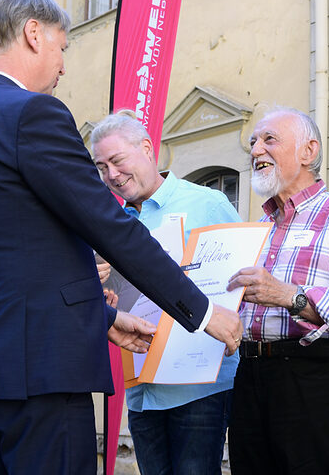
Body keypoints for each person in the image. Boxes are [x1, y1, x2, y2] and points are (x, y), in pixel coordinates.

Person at [0, 0, 242, 475]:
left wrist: (106, 320)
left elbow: (13, 262)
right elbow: (113, 228)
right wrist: (201, 312)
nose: (63, 65)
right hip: (41, 378)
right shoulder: (32, 113)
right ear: (33, 33)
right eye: (61, 45)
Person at [225, 107, 329, 475]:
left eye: (269, 139)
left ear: (308, 152)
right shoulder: (257, 228)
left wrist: (289, 296)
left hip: (311, 379)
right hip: (248, 374)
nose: (256, 150)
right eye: (253, 142)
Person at [90, 110, 241, 475]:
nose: (111, 174)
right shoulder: (109, 226)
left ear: (146, 148)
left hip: (200, 385)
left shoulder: (208, 204)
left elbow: (239, 284)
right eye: (100, 166)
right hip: (142, 388)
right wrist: (98, 288)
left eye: (117, 160)